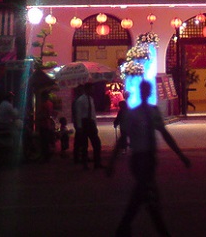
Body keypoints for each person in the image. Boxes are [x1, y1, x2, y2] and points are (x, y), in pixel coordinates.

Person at [107, 79, 190, 237]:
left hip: (149, 158)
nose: (146, 93)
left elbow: (164, 134)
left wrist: (180, 154)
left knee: (142, 194)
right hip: (140, 158)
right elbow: (123, 138)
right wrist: (112, 162)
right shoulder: (135, 113)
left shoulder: (151, 112)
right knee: (147, 195)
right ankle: (157, 230)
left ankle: (124, 227)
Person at [73, 84, 102, 168]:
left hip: (90, 123)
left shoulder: (91, 99)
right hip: (84, 122)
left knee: (96, 144)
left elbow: (93, 113)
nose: (92, 91)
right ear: (87, 89)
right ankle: (85, 164)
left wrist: (95, 124)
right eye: (91, 89)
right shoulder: (80, 100)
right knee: (84, 145)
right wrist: (79, 126)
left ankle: (97, 163)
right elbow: (78, 114)